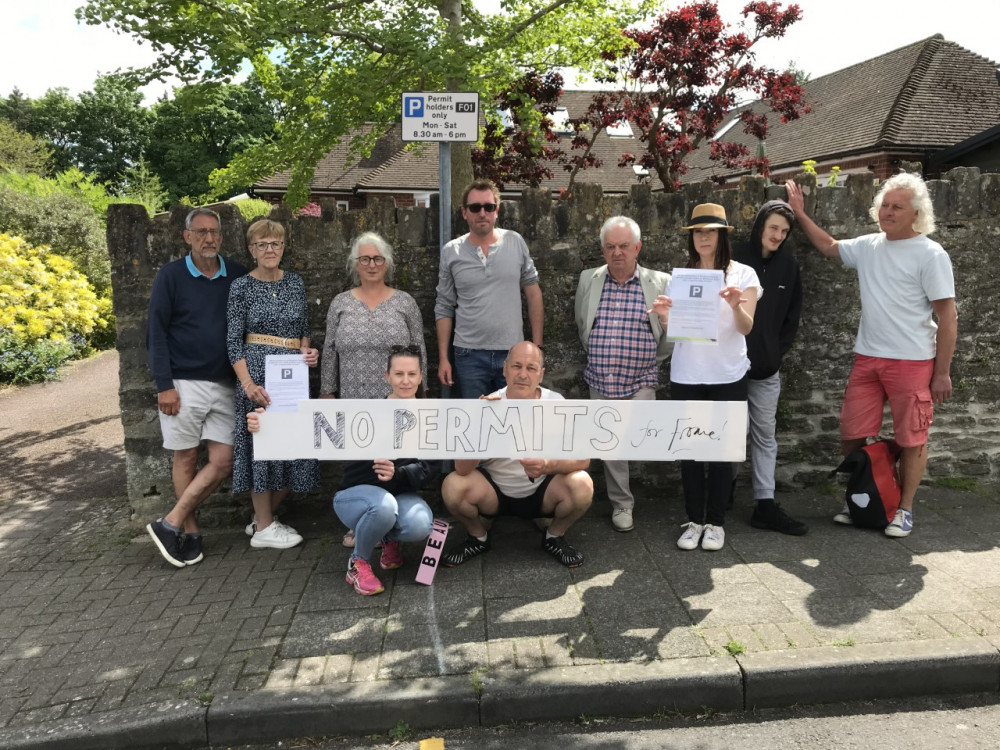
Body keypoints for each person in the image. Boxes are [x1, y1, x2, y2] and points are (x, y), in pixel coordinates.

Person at [786, 174, 957, 537]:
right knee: (851, 434)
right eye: (885, 204)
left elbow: (948, 315)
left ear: (915, 213)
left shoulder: (931, 253)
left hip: (912, 361)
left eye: (897, 206)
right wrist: (799, 214)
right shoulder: (869, 246)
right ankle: (861, 499)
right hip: (867, 358)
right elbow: (830, 246)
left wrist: (942, 373)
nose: (888, 211)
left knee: (912, 439)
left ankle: (904, 510)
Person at [248, 345, 436, 595]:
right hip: (356, 497)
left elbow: (431, 469)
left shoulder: (432, 415)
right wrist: (268, 423)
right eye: (399, 374)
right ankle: (358, 563)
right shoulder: (361, 413)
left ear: (421, 376)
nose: (405, 381)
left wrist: (398, 473)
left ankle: (387, 538)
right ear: (386, 376)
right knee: (384, 506)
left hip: (400, 495)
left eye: (412, 374)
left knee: (421, 524)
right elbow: (307, 428)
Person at [652, 204, 760, 552]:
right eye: (698, 231)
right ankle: (694, 520)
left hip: (728, 375)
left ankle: (715, 522)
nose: (703, 237)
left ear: (722, 235)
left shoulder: (744, 276)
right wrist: (667, 318)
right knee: (691, 451)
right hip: (688, 374)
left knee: (722, 452)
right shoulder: (681, 277)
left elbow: (747, 327)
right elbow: (677, 333)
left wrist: (735, 304)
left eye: (710, 231)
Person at [145, 208, 248, 568]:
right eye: (201, 232)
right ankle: (188, 532)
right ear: (187, 236)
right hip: (183, 384)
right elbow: (155, 334)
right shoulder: (171, 276)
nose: (209, 239)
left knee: (224, 460)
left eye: (214, 232)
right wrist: (164, 386)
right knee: (186, 456)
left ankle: (169, 523)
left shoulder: (235, 273)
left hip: (224, 383)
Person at [440, 341, 593, 568]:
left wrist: (547, 466)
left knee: (583, 484)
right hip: (494, 494)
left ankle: (554, 536)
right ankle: (478, 537)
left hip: (543, 492)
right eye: (516, 366)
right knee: (452, 485)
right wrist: (480, 423)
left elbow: (583, 460)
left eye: (531, 368)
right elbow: (462, 469)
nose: (522, 374)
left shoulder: (556, 403)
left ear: (541, 375)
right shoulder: (488, 404)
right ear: (504, 369)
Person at [227, 218, 320, 549]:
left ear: (283, 247)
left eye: (275, 244)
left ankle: (260, 520)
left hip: (292, 377)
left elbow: (305, 328)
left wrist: (308, 351)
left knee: (296, 447)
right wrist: (247, 384)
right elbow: (233, 341)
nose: (270, 250)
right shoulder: (241, 287)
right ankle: (265, 527)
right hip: (257, 377)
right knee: (262, 449)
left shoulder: (295, 282)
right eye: (262, 244)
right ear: (252, 249)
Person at [575, 216, 671, 533]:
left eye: (624, 246)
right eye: (611, 246)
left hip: (641, 377)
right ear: (603, 250)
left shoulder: (661, 282)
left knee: (633, 437)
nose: (618, 253)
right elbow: (583, 325)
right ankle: (622, 505)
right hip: (600, 378)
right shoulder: (589, 279)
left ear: (637, 248)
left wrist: (650, 360)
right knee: (611, 445)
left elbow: (671, 338)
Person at [731, 200, 808, 536]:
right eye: (773, 227)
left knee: (765, 436)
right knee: (730, 435)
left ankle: (765, 503)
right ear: (761, 225)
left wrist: (776, 353)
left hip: (766, 371)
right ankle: (724, 491)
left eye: (784, 231)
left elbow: (792, 316)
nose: (777, 235)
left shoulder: (788, 267)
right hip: (729, 367)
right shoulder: (732, 258)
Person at [435, 179, 544, 398]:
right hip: (468, 355)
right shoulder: (451, 252)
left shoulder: (515, 242)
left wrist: (537, 348)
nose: (482, 213)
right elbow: (444, 306)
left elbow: (533, 293)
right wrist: (443, 358)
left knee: (515, 418)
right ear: (465, 212)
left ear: (497, 211)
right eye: (475, 207)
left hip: (513, 355)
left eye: (488, 207)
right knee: (475, 424)